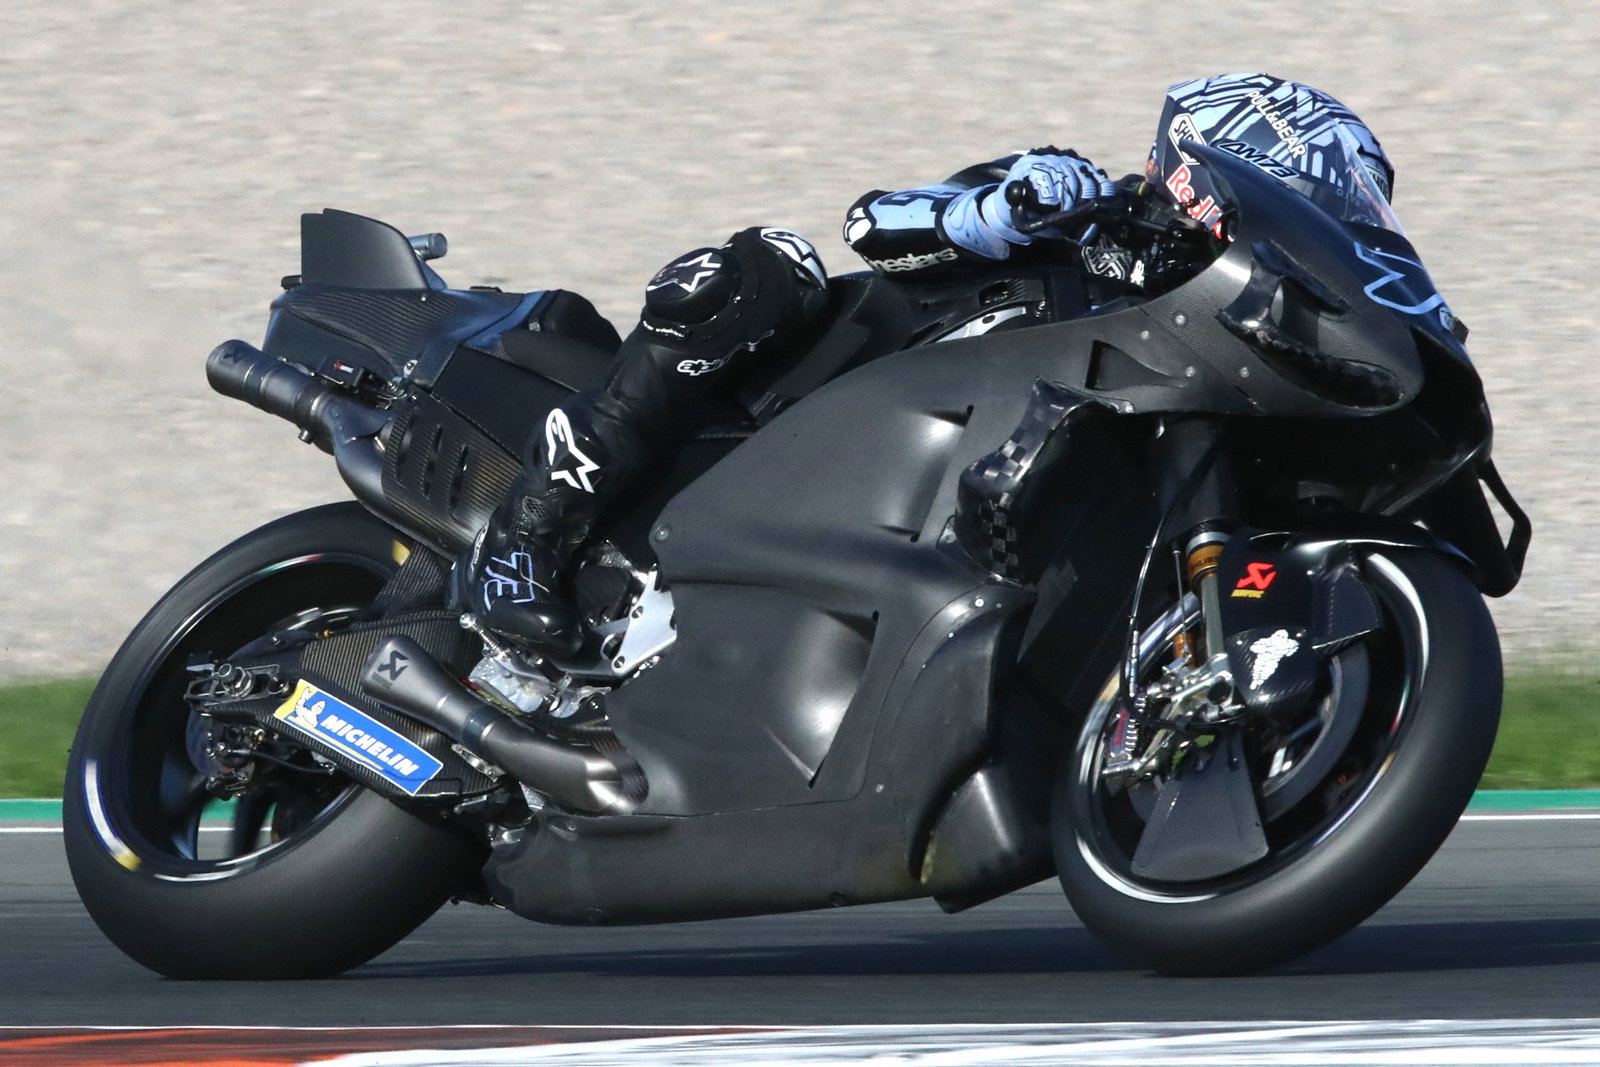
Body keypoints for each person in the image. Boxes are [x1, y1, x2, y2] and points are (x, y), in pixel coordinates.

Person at [458, 72, 1396, 652]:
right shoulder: (1074, 198)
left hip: (914, 527)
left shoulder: (1200, 343)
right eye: (1318, 184)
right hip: (793, 410)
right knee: (767, 267)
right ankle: (526, 539)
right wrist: (998, 211)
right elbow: (871, 222)